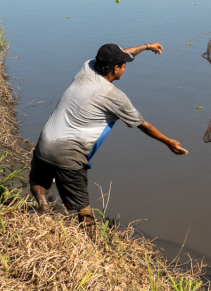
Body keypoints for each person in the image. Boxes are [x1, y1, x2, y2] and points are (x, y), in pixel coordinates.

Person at [29, 42, 187, 223]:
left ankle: (42, 203)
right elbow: (143, 125)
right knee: (83, 205)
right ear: (116, 68)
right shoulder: (115, 97)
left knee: (38, 181)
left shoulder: (87, 68)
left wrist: (147, 46)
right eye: (123, 65)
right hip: (69, 154)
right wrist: (168, 141)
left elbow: (122, 53)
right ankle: (89, 238)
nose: (125, 68)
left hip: (45, 142)